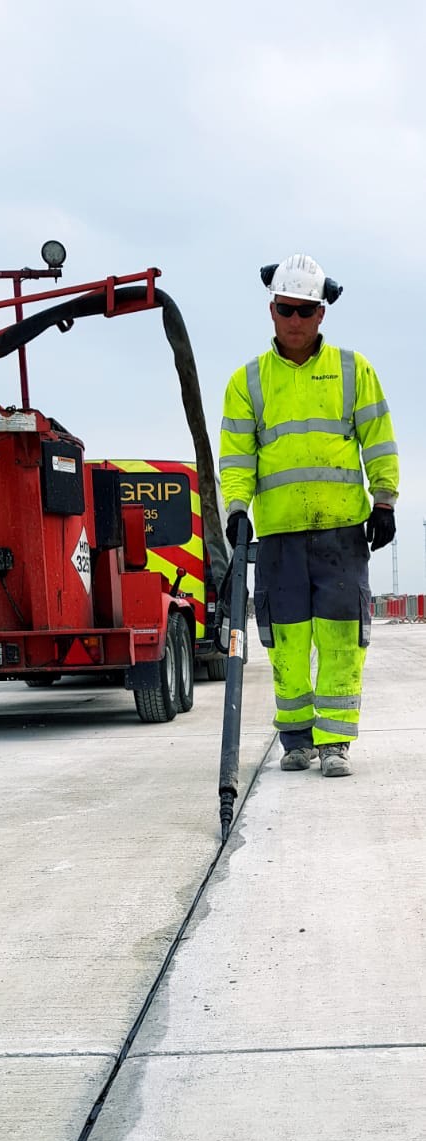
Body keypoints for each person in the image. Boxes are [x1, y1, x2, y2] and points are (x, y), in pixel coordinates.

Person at [219, 254, 398, 777]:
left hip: (342, 532)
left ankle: (335, 742)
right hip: (278, 535)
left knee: (342, 638)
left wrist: (384, 501)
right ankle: (295, 739)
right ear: (271, 310)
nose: (294, 320)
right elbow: (236, 456)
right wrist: (236, 509)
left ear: (322, 314)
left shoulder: (352, 370)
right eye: (285, 309)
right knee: (287, 639)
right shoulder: (248, 381)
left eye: (305, 311)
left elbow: (378, 439)